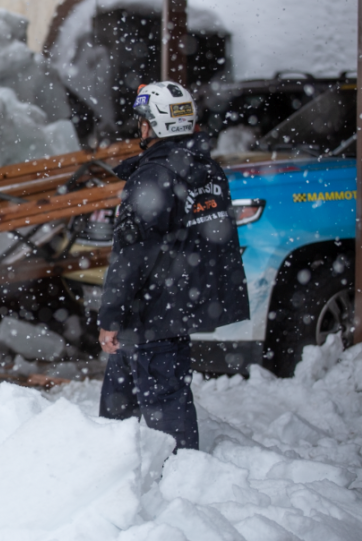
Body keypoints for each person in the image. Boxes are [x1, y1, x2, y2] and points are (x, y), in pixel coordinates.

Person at [97, 80, 249, 451]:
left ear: (154, 124)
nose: (139, 127)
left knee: (165, 405)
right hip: (171, 307)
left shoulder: (154, 177)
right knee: (119, 400)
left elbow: (130, 257)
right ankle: (111, 466)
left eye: (143, 120)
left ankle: (180, 471)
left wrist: (110, 317)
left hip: (152, 311)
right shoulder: (206, 170)